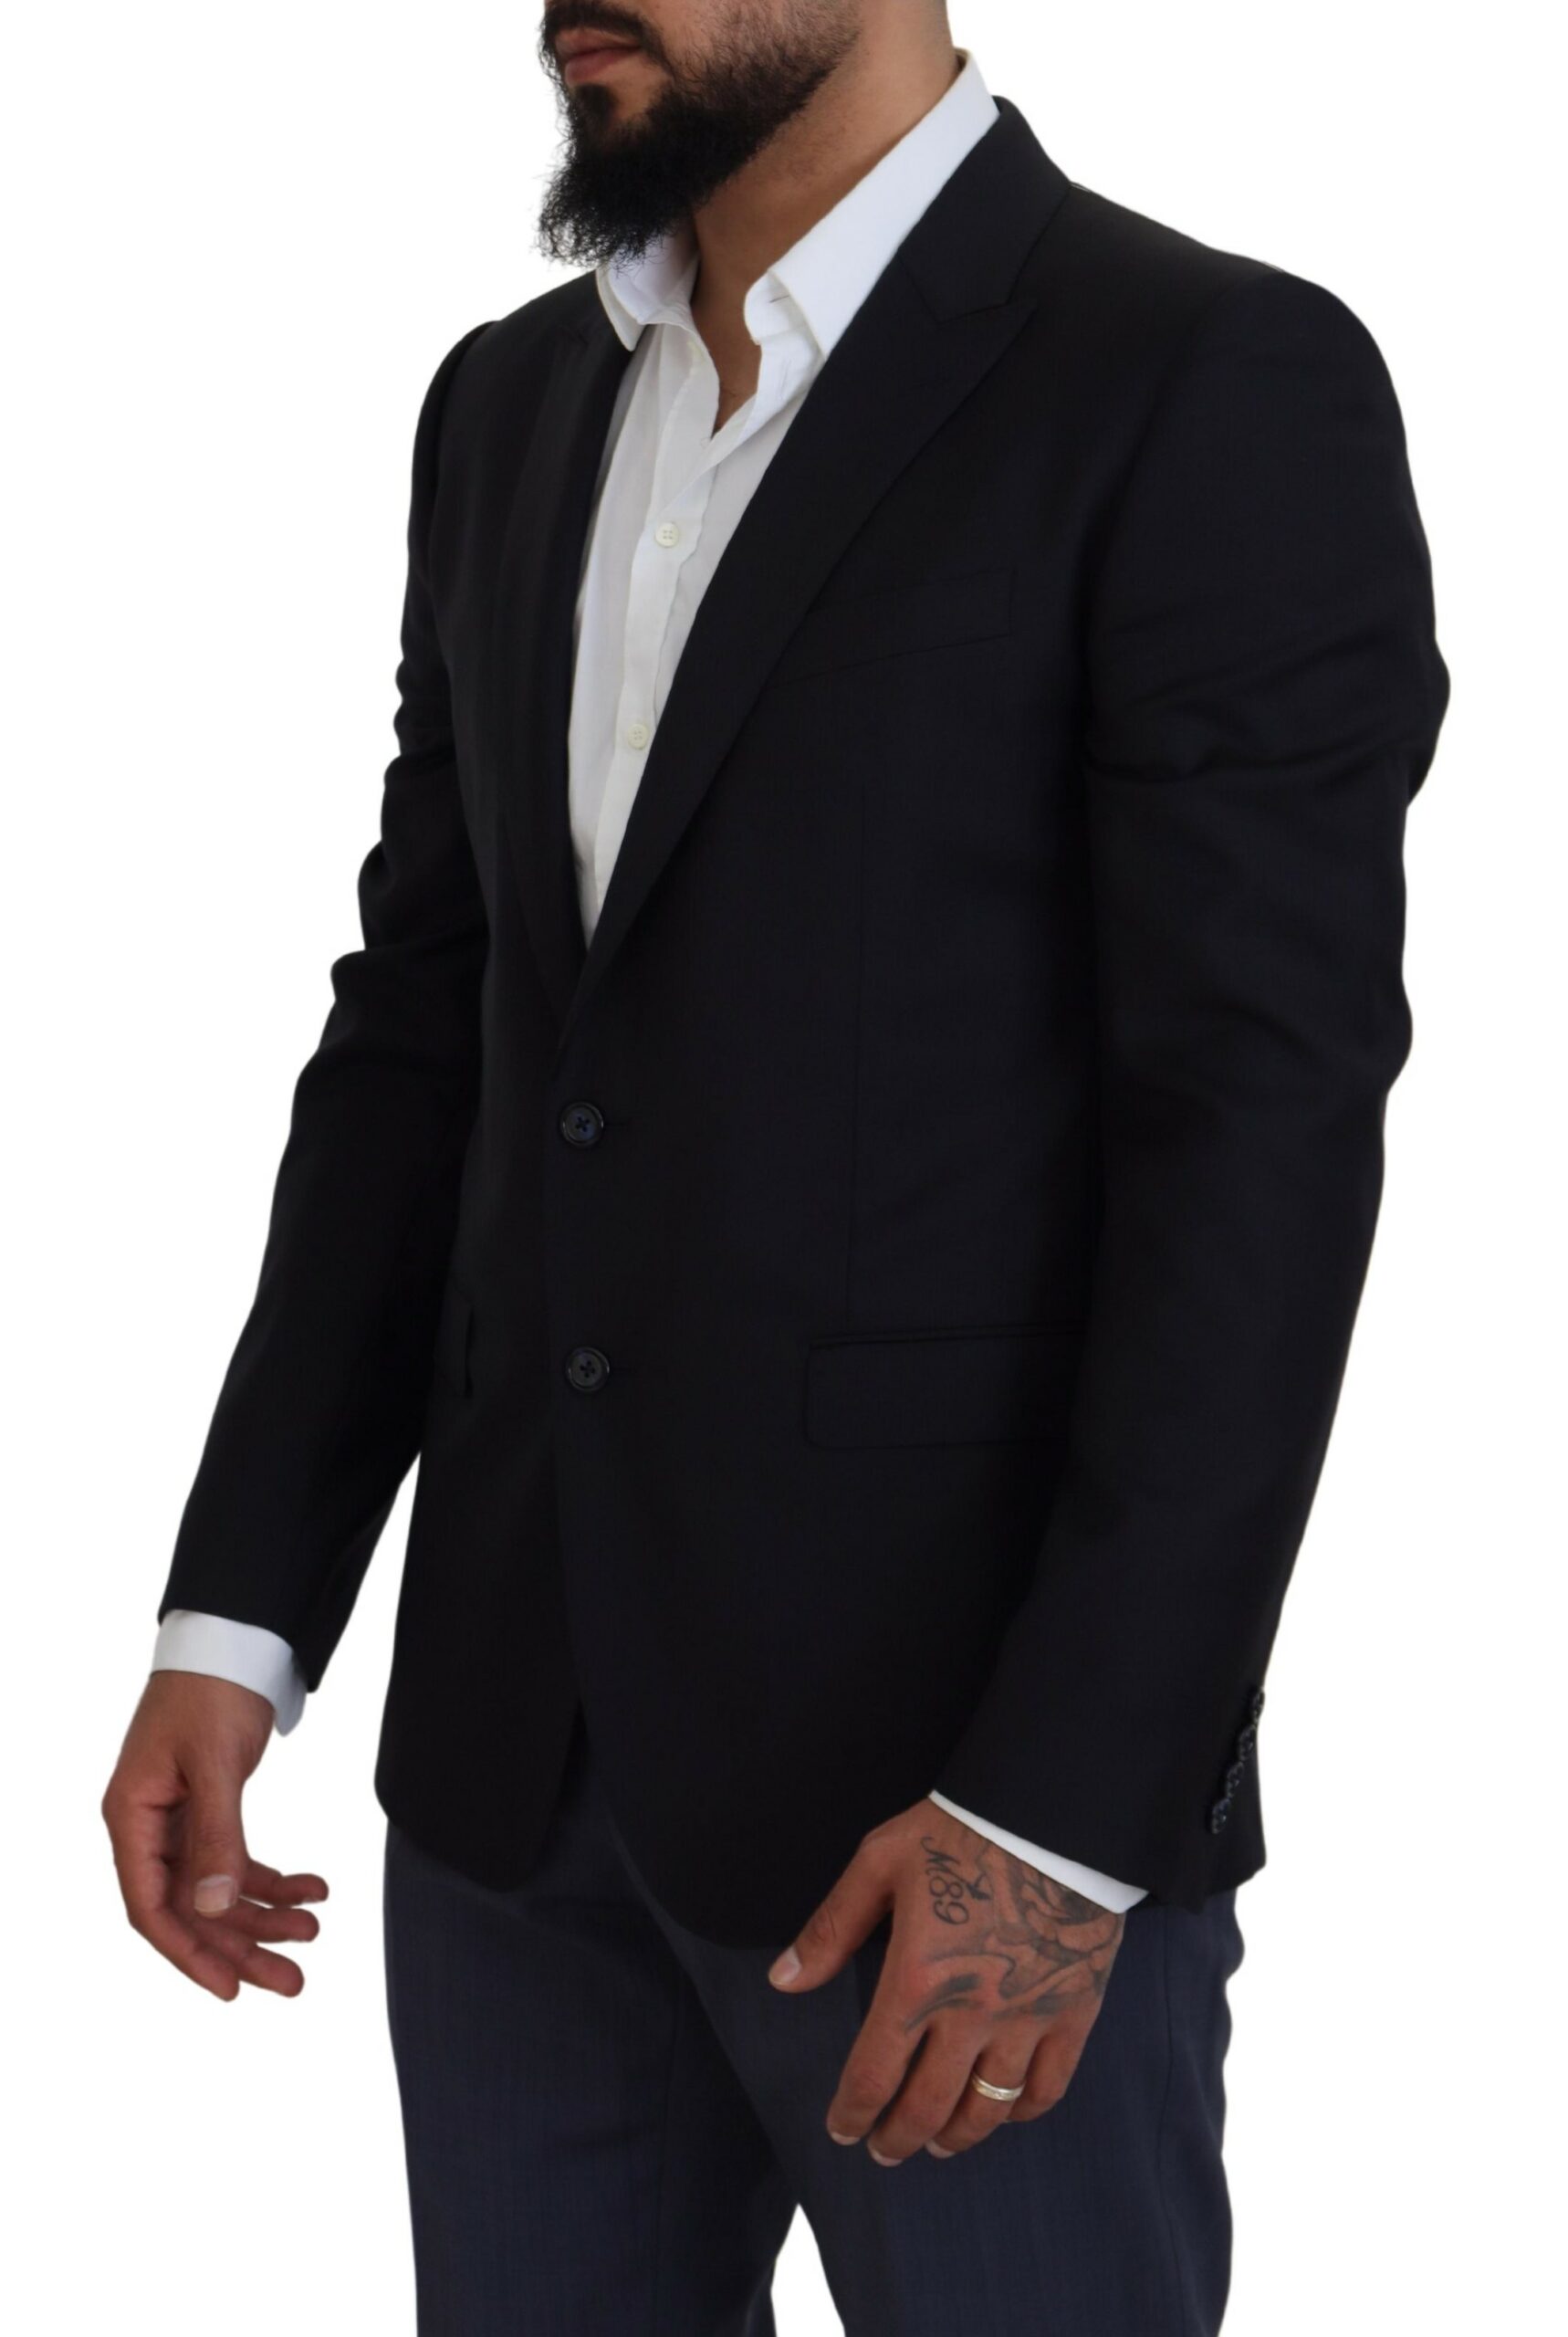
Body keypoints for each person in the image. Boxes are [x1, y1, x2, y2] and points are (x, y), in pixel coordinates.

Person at [101, 5, 1448, 2331]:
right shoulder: (509, 404)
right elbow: (428, 1036)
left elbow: (1257, 1144)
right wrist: (239, 1611)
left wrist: (1066, 1813)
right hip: (513, 1780)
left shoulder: (1199, 377)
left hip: (957, 1816)